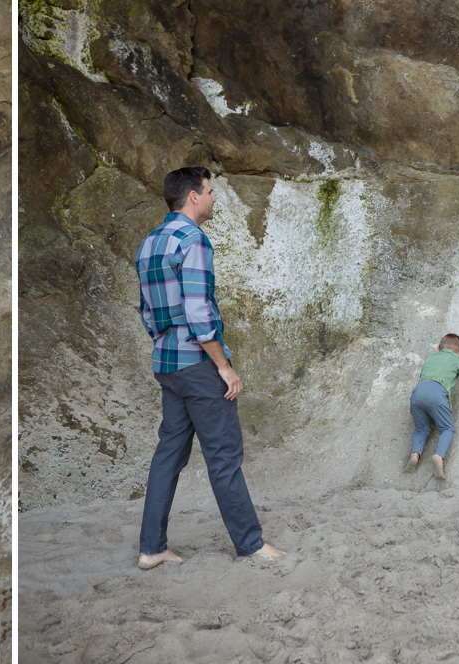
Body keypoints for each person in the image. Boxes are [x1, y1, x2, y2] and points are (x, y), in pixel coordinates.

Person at [133, 165, 283, 571]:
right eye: (211, 191)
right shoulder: (193, 240)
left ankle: (151, 548)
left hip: (167, 363)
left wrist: (168, 342)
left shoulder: (149, 243)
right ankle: (251, 544)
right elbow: (199, 313)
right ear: (194, 196)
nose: (215, 198)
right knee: (223, 455)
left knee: (168, 454)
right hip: (198, 364)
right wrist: (225, 368)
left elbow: (148, 313)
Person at [407, 334, 459, 480]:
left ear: (438, 349)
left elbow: (422, 374)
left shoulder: (431, 357)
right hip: (438, 393)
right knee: (447, 428)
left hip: (418, 393)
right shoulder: (457, 359)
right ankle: (438, 456)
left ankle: (414, 455)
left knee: (421, 429)